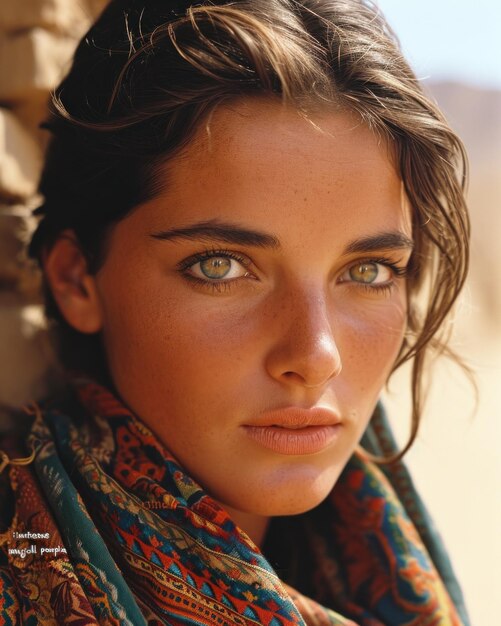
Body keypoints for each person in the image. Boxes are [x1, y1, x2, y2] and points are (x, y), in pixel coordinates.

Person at [0, 1, 471, 624]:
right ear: (76, 280)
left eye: (368, 271)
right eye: (219, 266)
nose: (316, 355)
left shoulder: (391, 556)